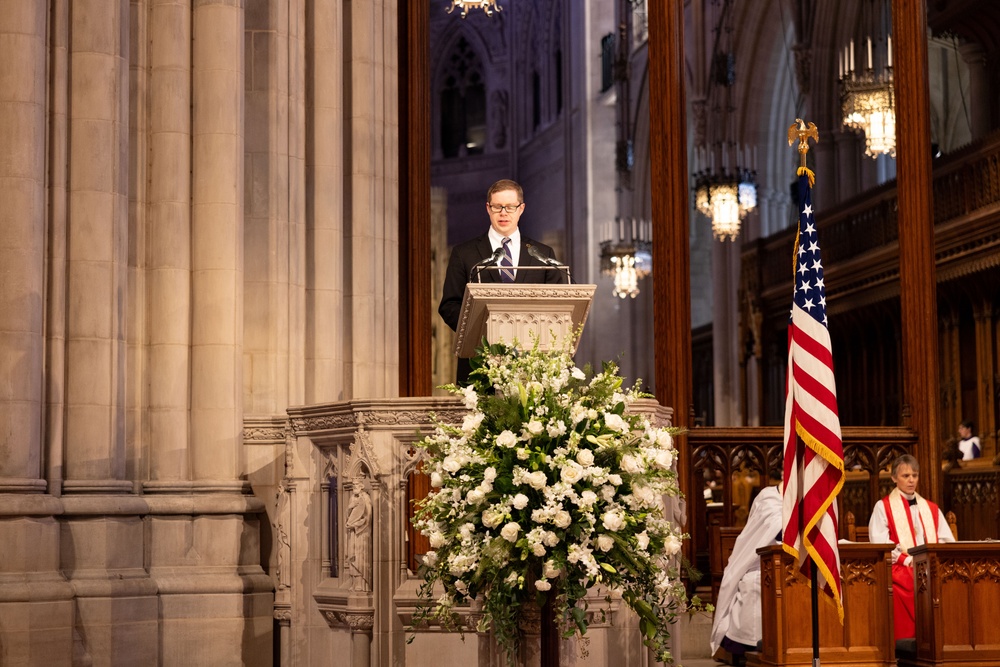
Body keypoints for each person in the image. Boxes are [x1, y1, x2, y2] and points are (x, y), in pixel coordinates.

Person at [438, 179, 565, 384]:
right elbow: (449, 305)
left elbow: (558, 306)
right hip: (479, 364)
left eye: (510, 207)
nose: (503, 213)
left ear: (521, 208)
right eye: (497, 207)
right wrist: (482, 332)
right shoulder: (464, 253)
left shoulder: (541, 254)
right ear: (488, 208)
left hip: (533, 367)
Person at [868, 454, 955, 641]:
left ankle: (945, 639)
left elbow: (947, 541)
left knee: (950, 583)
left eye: (914, 475)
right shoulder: (882, 507)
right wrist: (907, 560)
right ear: (893, 478)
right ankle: (911, 641)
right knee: (909, 583)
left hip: (930, 565)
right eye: (905, 476)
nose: (911, 480)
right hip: (900, 565)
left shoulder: (931, 508)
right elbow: (880, 544)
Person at [710, 484, 783, 666]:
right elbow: (772, 528)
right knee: (755, 584)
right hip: (758, 560)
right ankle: (749, 644)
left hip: (798, 559)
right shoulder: (769, 496)